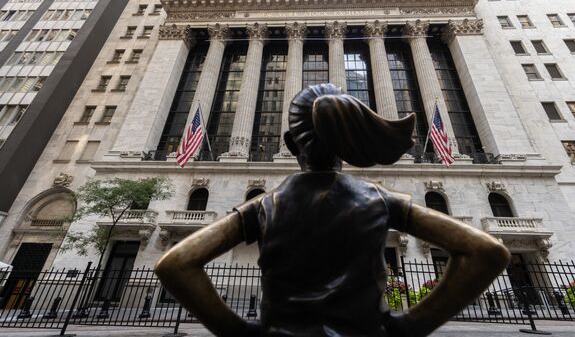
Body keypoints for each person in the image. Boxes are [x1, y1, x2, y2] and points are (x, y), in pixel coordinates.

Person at [155, 84, 510, 337]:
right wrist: (411, 325)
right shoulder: (380, 199)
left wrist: (237, 330)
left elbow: (175, 263)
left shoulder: (265, 205)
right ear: (345, 140)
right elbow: (488, 251)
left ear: (292, 143)